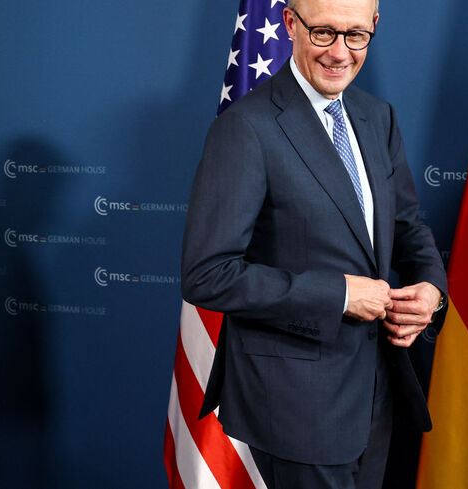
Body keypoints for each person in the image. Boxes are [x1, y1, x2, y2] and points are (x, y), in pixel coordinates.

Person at [181, 0, 447, 487]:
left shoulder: (377, 117)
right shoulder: (245, 128)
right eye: (323, 33)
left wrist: (431, 288)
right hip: (297, 403)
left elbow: (408, 226)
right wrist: (341, 295)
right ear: (290, 24)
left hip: (377, 391)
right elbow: (208, 274)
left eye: (356, 35)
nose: (340, 52)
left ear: (374, 27)